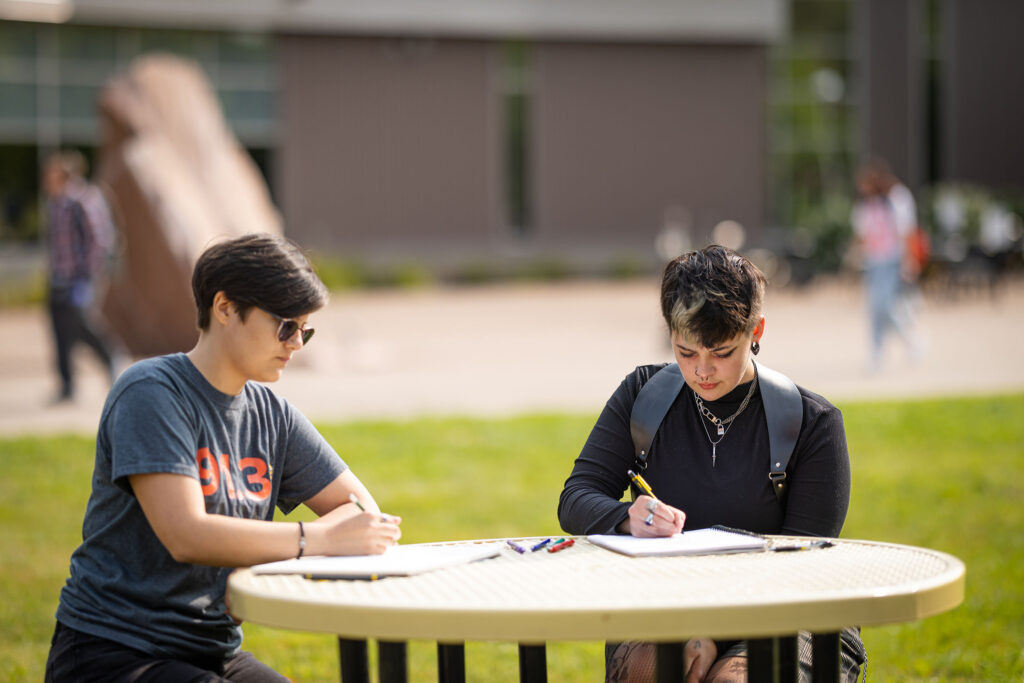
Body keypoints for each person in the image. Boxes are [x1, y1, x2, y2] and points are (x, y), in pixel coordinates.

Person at [45, 233, 403, 682]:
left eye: (304, 331)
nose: (295, 344)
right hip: (115, 650)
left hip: (212, 650)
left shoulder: (272, 414)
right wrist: (317, 538)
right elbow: (187, 534)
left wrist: (306, 541)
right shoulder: (151, 393)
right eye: (285, 326)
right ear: (226, 308)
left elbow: (363, 515)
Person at [557, 245, 864, 683]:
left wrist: (712, 632)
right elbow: (576, 497)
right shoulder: (642, 395)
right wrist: (626, 517)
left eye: (721, 352)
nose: (702, 371)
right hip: (668, 605)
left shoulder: (812, 422)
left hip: (789, 610)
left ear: (756, 330)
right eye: (685, 352)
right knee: (652, 670)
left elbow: (802, 565)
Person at [42, 149, 118, 402]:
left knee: (82, 325)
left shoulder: (83, 200)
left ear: (63, 174)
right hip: (58, 278)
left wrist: (87, 276)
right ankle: (67, 385)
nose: (46, 179)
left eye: (51, 174)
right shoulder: (55, 204)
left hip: (80, 279)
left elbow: (100, 240)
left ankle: (111, 359)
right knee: (59, 332)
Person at [850, 158, 924, 371]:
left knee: (885, 305)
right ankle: (878, 350)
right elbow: (862, 234)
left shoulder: (897, 199)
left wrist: (911, 260)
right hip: (874, 261)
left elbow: (907, 231)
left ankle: (910, 339)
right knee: (875, 307)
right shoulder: (866, 206)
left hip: (893, 260)